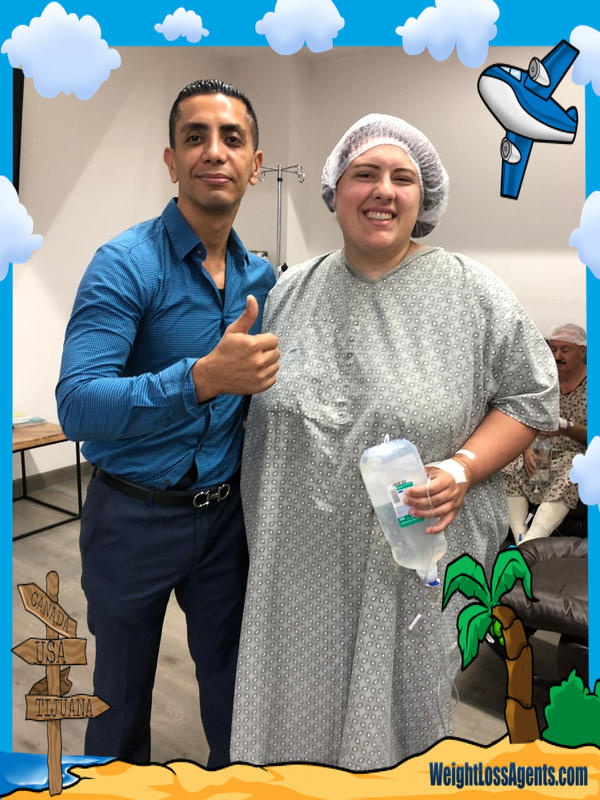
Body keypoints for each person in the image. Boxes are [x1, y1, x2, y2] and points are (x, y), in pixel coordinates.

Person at [229, 114, 558, 770]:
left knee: (396, 725)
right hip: (295, 571)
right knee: (294, 708)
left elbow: (531, 398)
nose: (383, 190)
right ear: (335, 191)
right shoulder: (290, 291)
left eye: (402, 178)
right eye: (365, 174)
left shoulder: (472, 295)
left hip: (404, 571)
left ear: (423, 197)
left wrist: (461, 469)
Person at [56, 79, 279, 767]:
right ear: (171, 159)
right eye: (195, 137)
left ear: (255, 165)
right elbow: (78, 404)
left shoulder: (262, 280)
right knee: (119, 706)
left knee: (236, 695)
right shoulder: (126, 265)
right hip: (132, 520)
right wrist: (200, 379)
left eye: (232, 138)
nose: (214, 151)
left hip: (225, 522)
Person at [503, 323, 587, 544]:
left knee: (574, 469)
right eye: (553, 349)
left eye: (565, 350)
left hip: (580, 456)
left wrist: (567, 427)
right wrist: (526, 449)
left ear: (583, 351)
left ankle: (532, 540)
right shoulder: (544, 382)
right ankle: (520, 537)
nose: (557, 356)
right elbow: (524, 420)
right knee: (508, 462)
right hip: (542, 451)